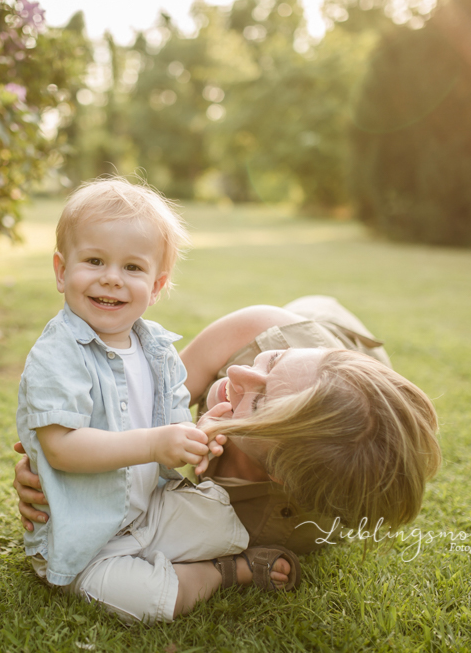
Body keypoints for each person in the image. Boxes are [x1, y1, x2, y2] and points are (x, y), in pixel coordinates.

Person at [17, 178, 298, 626]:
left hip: (151, 509)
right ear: (60, 269)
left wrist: (202, 435)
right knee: (148, 601)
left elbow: (168, 426)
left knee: (226, 520)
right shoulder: (58, 354)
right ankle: (224, 573)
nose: (111, 277)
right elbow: (61, 448)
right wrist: (153, 444)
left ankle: (180, 551)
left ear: (157, 284)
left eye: (132, 267)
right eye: (94, 261)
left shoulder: (157, 351)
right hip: (87, 537)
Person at [15, 296, 442, 558]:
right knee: (311, 312)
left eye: (256, 402)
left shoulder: (260, 523)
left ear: (278, 473)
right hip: (322, 326)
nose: (236, 372)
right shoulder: (263, 331)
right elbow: (134, 410)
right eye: (269, 363)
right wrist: (58, 457)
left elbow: (136, 520)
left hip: (336, 402)